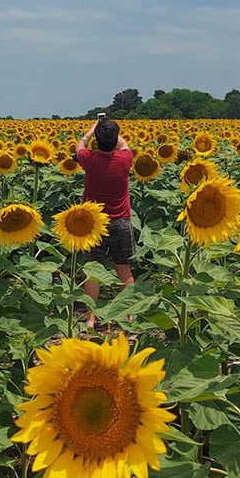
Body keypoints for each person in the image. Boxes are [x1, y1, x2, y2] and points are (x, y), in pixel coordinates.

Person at [73, 114, 134, 324]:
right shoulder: (125, 159)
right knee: (124, 268)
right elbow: (123, 144)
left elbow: (79, 145)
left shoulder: (89, 160)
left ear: (97, 141)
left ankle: (90, 318)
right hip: (121, 222)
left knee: (93, 270)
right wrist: (110, 131)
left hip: (94, 224)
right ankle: (130, 314)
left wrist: (92, 130)